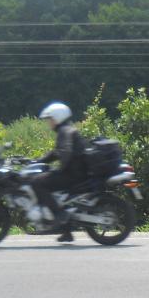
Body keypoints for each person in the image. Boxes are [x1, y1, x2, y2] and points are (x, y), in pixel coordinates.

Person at [33, 102, 87, 242]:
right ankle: (66, 232)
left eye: (50, 119)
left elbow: (65, 152)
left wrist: (60, 170)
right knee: (56, 194)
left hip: (73, 175)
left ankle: (59, 215)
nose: (49, 122)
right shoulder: (67, 130)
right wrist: (38, 161)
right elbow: (56, 153)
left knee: (37, 182)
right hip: (76, 173)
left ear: (57, 118)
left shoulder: (64, 131)